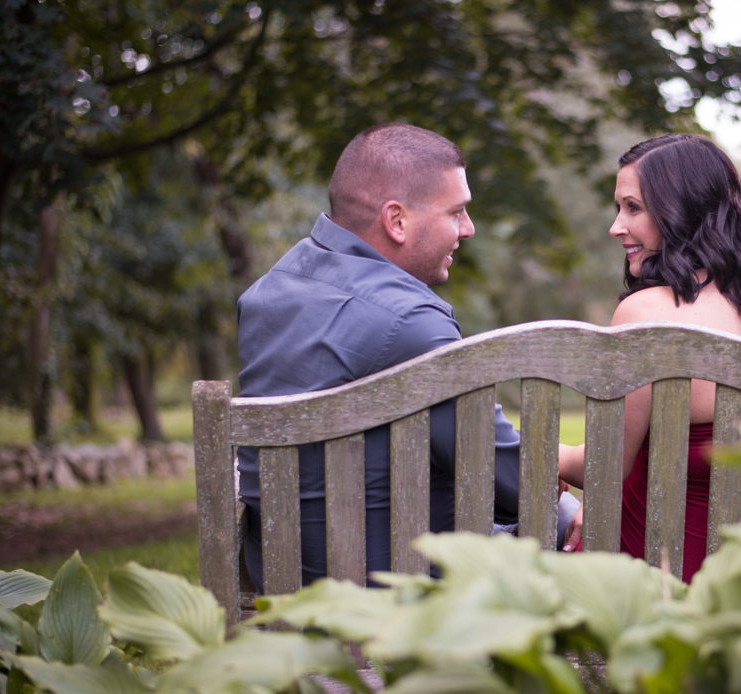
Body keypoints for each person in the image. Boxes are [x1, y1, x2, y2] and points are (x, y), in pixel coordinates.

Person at [236, 123, 574, 591]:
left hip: (288, 586)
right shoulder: (412, 321)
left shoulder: (265, 296)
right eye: (456, 212)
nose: (468, 229)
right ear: (397, 221)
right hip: (399, 593)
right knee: (579, 525)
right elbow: (518, 484)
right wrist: (572, 483)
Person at [557, 134, 741, 583]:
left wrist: (553, 456)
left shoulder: (644, 314)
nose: (616, 226)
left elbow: (606, 464)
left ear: (680, 211)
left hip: (653, 579)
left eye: (633, 208)